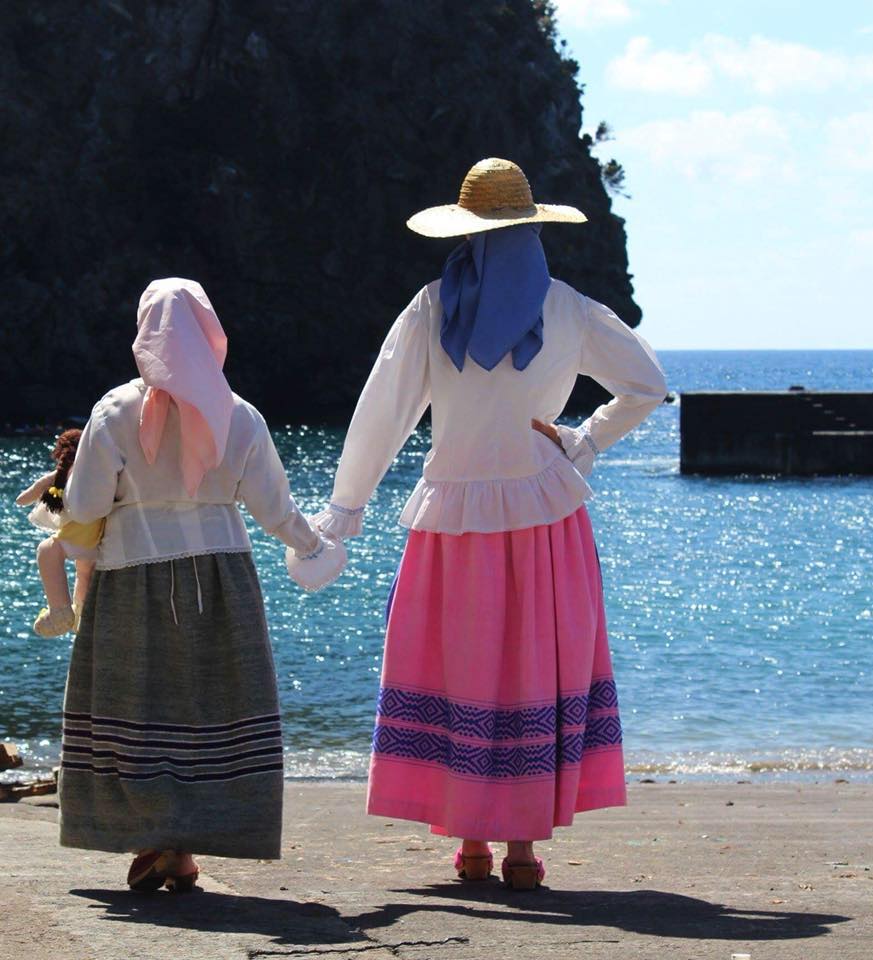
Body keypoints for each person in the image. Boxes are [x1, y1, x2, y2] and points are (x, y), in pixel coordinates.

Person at [315, 158, 667, 889]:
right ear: (532, 232)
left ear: (468, 236)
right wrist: (584, 440)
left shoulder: (433, 307)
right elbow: (648, 385)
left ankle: (473, 841)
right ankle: (522, 850)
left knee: (464, 669)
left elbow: (383, 412)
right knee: (534, 671)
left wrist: (345, 510)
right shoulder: (566, 307)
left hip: (454, 514)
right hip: (545, 511)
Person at [59, 278, 341, 892]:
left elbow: (82, 505)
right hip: (222, 579)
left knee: (137, 708)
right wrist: (316, 546)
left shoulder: (114, 411)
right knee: (209, 710)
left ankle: (158, 836)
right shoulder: (239, 416)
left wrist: (72, 568)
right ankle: (183, 848)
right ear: (211, 335)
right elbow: (275, 510)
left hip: (129, 577)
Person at [16, 429, 104, 636]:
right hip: (100, 538)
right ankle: (81, 615)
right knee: (84, 574)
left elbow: (24, 498)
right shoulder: (102, 471)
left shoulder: (62, 475)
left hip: (78, 534)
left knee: (47, 550)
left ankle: (59, 611)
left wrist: (23, 498)